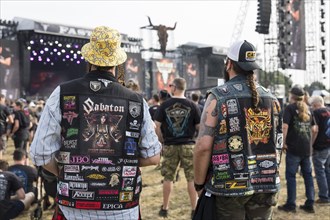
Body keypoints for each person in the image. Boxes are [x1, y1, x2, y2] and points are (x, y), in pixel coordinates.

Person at [30, 26, 161, 220]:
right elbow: (152, 157)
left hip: (73, 208)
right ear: (117, 62)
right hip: (123, 206)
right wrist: (120, 162)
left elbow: (40, 153)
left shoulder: (62, 93)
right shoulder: (136, 101)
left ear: (89, 59)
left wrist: (67, 172)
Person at [194, 40, 283, 219]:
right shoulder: (271, 98)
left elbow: (203, 146)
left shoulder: (218, 96)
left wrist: (198, 184)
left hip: (228, 186)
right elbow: (278, 143)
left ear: (228, 64)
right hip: (266, 184)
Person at [154, 77, 201, 218]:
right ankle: (194, 209)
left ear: (174, 87)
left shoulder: (165, 105)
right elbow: (200, 127)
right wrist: (196, 141)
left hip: (170, 145)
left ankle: (165, 208)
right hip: (188, 145)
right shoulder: (193, 105)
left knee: (168, 178)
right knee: (191, 179)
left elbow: (157, 125)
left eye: (170, 86)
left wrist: (161, 140)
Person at [278, 85, 315, 213]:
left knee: (291, 176)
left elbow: (285, 127)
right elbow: (315, 129)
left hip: (293, 148)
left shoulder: (290, 108)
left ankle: (291, 204)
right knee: (308, 176)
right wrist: (311, 143)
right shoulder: (309, 109)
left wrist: (283, 142)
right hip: (307, 149)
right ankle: (310, 203)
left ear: (292, 96)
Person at [310, 95, 330, 204]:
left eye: (312, 106)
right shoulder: (329, 111)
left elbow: (315, 130)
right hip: (328, 145)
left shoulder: (316, 113)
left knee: (320, 172)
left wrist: (311, 145)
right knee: (327, 170)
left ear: (316, 104)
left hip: (319, 146)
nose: (312, 108)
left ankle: (324, 197)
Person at [0, 94, 14, 159]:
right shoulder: (4, 108)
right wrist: (5, 123)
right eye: (4, 99)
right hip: (1, 128)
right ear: (1, 98)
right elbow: (11, 120)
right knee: (0, 147)